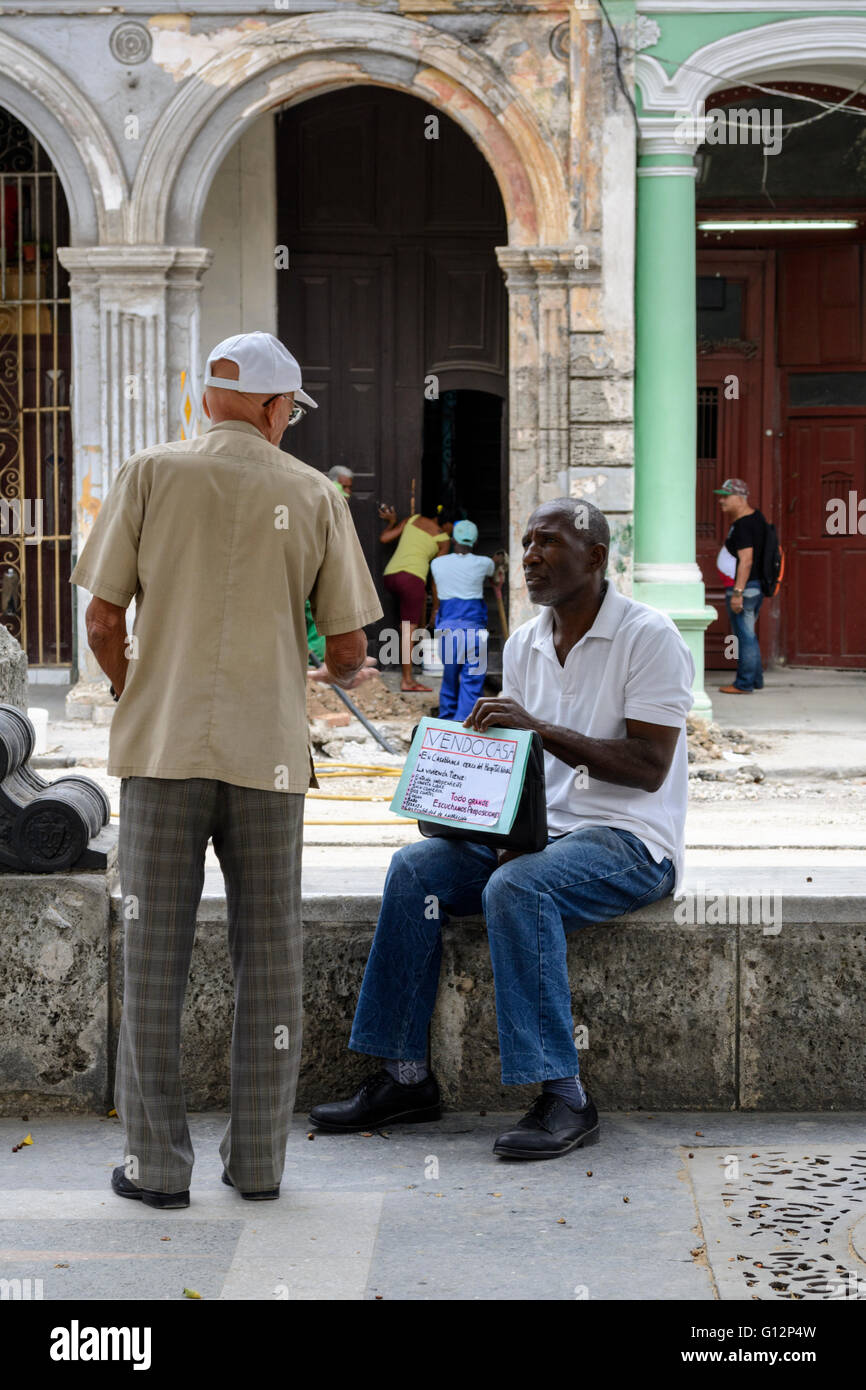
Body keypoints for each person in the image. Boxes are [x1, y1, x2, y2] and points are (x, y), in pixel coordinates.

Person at [70, 330, 382, 1209]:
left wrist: (143, 691)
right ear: (279, 409)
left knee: (153, 957)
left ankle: (157, 1168)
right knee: (269, 958)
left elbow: (101, 624)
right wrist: (299, 665)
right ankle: (259, 1166)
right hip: (269, 757)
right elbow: (352, 648)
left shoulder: (149, 473)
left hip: (162, 752)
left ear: (208, 398)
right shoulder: (313, 493)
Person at [309, 497, 695, 1160]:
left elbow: (650, 767)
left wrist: (539, 729)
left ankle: (566, 1097)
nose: (531, 558)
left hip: (631, 840)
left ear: (596, 558)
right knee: (416, 870)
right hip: (547, 834)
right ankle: (406, 1077)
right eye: (525, 545)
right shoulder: (524, 643)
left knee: (517, 888)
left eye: (548, 544)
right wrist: (462, 795)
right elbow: (522, 770)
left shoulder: (649, 635)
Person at [379, 503, 452, 692]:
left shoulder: (412, 519)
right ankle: (407, 680)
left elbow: (384, 538)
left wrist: (392, 522)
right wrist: (436, 607)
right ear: (447, 524)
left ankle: (412, 661)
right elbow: (437, 574)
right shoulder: (443, 539)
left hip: (391, 576)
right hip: (412, 579)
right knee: (408, 630)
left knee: (410, 624)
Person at [429, 518, 495, 720]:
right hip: (474, 631)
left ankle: (447, 723)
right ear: (475, 542)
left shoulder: (436, 563)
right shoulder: (485, 563)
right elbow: (493, 574)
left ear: (452, 538)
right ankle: (465, 724)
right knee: (472, 681)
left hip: (447, 630)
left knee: (449, 680)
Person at [714, 477, 767, 695]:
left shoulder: (744, 525)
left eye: (726, 497)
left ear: (739, 498)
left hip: (744, 588)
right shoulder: (757, 519)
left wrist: (738, 592)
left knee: (744, 636)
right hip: (754, 587)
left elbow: (746, 560)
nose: (721, 501)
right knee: (749, 634)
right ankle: (755, 679)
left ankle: (744, 684)